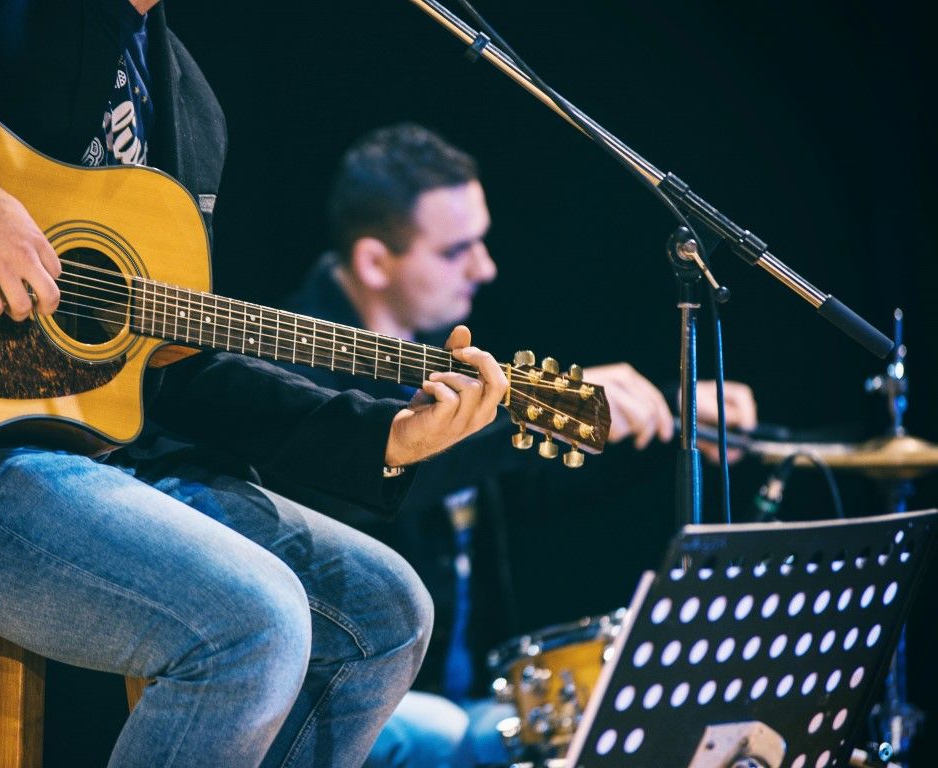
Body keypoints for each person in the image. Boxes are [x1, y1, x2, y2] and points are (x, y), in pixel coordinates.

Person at [0, 5, 512, 767]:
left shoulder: (190, 109)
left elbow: (172, 369)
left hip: (79, 463)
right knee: (254, 621)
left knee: (385, 611)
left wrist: (380, 436)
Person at [272, 123, 759, 767]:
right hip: (345, 694)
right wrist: (548, 408)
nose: (486, 267)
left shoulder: (440, 344)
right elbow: (369, 490)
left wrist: (669, 421)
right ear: (373, 262)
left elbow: (523, 486)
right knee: (468, 741)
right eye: (456, 250)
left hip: (465, 691)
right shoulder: (290, 368)